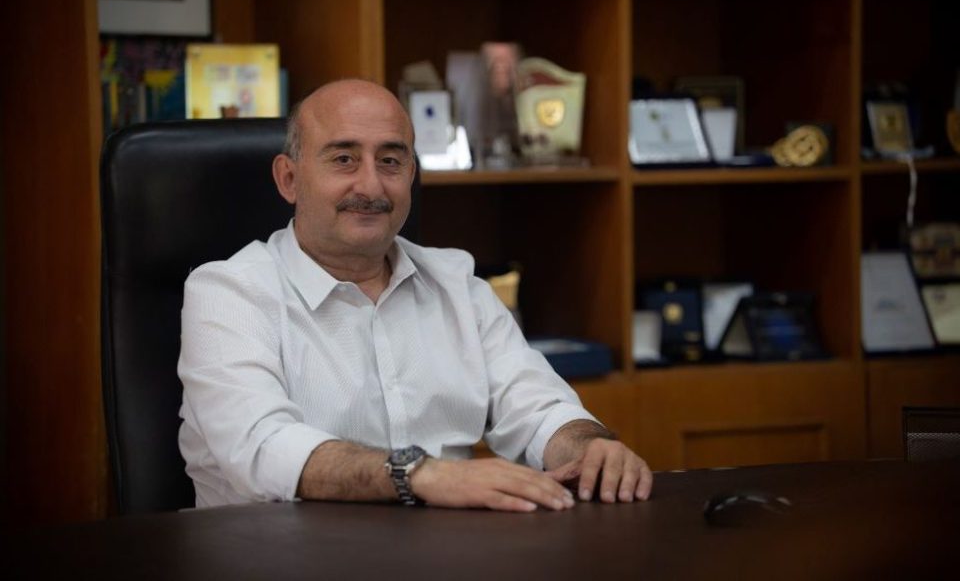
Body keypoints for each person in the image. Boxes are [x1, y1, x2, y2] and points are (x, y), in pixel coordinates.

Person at [178, 79, 653, 512]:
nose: (371, 186)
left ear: (411, 175)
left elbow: (540, 409)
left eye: (390, 161)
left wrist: (589, 447)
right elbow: (262, 446)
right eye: (343, 159)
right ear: (289, 179)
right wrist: (422, 475)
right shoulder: (228, 293)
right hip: (279, 556)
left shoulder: (457, 285)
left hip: (447, 554)